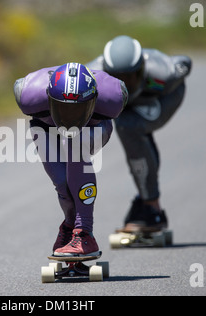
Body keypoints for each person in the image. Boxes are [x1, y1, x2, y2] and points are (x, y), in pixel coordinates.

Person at [14, 62, 128, 256]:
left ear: (95, 100)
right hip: (46, 129)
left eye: (78, 109)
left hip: (93, 130)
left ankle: (84, 234)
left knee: (75, 141)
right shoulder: (28, 93)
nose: (70, 117)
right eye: (62, 108)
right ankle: (69, 226)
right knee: (62, 182)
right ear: (48, 99)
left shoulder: (114, 97)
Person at [86, 35, 192, 234]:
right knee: (132, 132)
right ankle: (145, 201)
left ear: (143, 69)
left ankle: (152, 207)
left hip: (161, 99)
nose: (124, 85)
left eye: (131, 77)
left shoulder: (164, 73)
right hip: (126, 107)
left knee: (129, 127)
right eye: (116, 79)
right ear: (105, 72)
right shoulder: (91, 75)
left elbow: (185, 62)